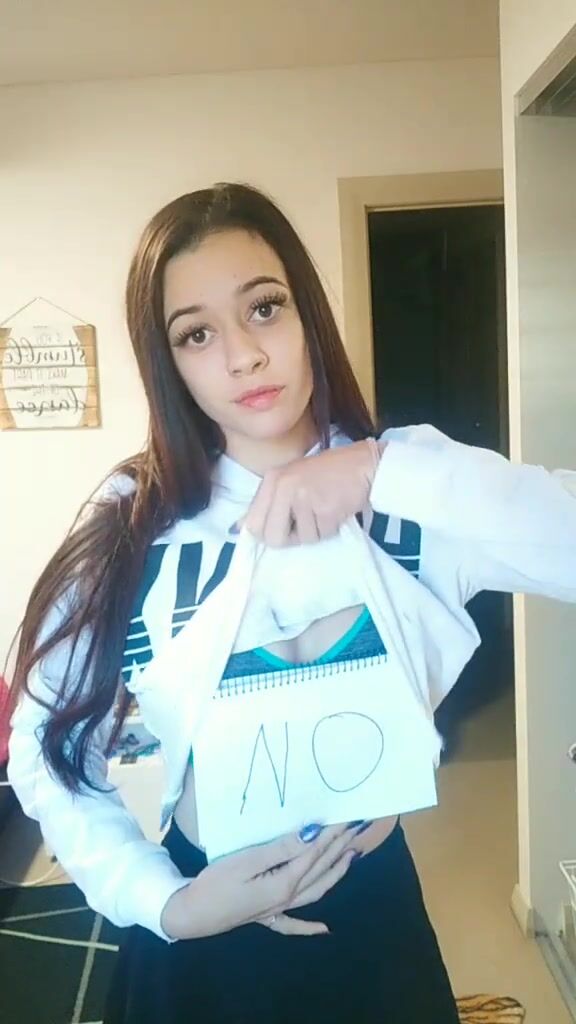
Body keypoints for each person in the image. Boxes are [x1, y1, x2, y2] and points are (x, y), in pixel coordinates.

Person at [6, 182, 576, 1024]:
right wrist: (165, 901)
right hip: (203, 925)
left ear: (307, 312)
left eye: (264, 308)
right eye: (197, 333)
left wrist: (379, 470)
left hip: (375, 923)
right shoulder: (136, 520)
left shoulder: (414, 488)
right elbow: (45, 744)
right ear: (170, 362)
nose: (242, 355)